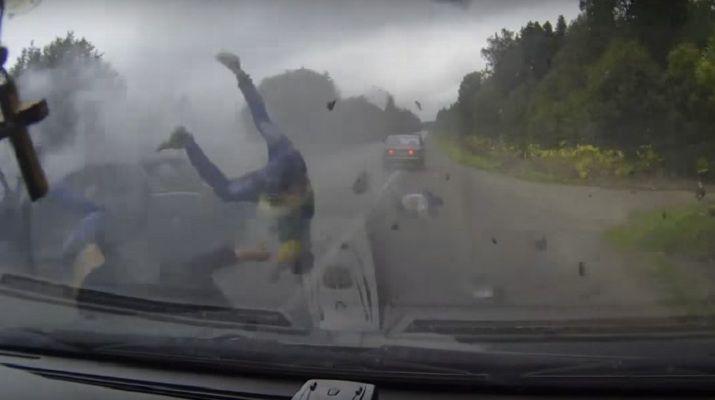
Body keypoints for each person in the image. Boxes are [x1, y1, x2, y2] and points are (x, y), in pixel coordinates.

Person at [157, 52, 315, 282]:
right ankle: (188, 141)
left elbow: (288, 247)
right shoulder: (297, 234)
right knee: (226, 189)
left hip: (286, 163)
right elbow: (289, 249)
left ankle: (239, 76)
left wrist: (280, 267)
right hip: (280, 179)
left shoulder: (298, 227)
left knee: (262, 122)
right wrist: (276, 271)